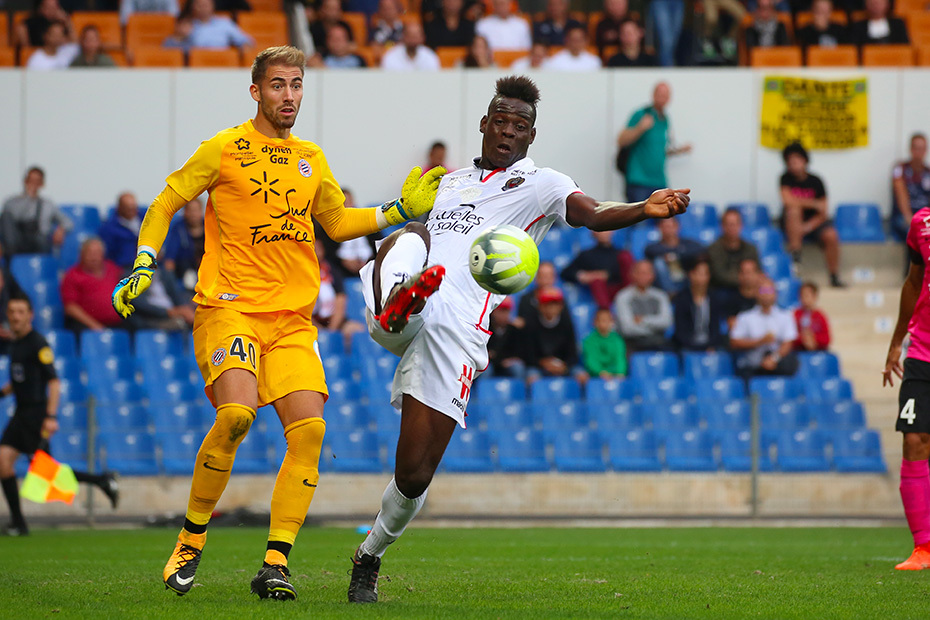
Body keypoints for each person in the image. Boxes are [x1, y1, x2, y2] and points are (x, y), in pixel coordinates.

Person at [108, 46, 443, 600]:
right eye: (278, 85)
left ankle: (275, 564)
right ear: (256, 91)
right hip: (230, 308)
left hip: (291, 320)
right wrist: (144, 261)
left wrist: (398, 211)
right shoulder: (223, 148)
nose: (289, 95)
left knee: (310, 431)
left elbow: (336, 221)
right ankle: (190, 540)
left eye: (296, 85)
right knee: (236, 415)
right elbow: (165, 202)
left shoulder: (310, 157)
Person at [345, 75, 689, 603]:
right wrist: (401, 211)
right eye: (500, 121)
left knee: (413, 475)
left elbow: (592, 214)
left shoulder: (542, 184)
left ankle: (369, 555)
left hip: (456, 332)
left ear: (531, 135)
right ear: (484, 124)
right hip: (412, 305)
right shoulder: (450, 182)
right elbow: (402, 222)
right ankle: (398, 302)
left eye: (519, 125)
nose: (508, 131)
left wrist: (643, 207)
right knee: (410, 234)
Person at [0, 295, 119, 536]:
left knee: (46, 471)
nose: (15, 316)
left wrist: (51, 416)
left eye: (21, 312)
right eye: (12, 311)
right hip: (21, 412)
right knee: (5, 461)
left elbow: (53, 382)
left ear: (30, 315)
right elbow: (21, 379)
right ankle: (18, 523)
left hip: (35, 414)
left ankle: (101, 480)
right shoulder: (16, 343)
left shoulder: (37, 343)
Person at [883, 204, 930, 570]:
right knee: (913, 439)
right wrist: (897, 341)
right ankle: (923, 548)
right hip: (923, 350)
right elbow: (914, 282)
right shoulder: (922, 222)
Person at [779, 142, 844, 287]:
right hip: (792, 223)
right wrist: (813, 203)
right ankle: (796, 256)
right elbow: (788, 202)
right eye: (790, 162)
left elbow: (823, 211)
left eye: (796, 160)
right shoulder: (785, 179)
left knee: (831, 235)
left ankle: (834, 275)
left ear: (805, 160)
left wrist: (807, 227)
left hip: (813, 223)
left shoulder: (816, 181)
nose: (793, 164)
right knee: (794, 211)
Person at [618, 82, 691, 203]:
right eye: (659, 94)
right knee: (639, 214)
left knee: (668, 213)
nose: (662, 98)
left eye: (665, 95)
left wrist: (680, 151)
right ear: (653, 95)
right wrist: (640, 128)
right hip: (639, 181)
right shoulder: (642, 114)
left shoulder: (665, 119)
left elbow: (659, 151)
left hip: (659, 181)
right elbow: (621, 140)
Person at [730, 276, 798, 379]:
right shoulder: (745, 317)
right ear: (756, 293)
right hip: (753, 366)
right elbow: (735, 342)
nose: (766, 294)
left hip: (778, 364)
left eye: (769, 290)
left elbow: (788, 343)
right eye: (763, 290)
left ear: (775, 294)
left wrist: (773, 358)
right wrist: (760, 341)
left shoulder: (785, 316)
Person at [0, 166, 72, 257]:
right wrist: (28, 198)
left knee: (42, 238)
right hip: (17, 241)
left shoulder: (47, 204)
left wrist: (61, 229)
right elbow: (9, 221)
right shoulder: (12, 202)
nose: (33, 184)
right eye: (30, 180)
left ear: (42, 184)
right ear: (25, 181)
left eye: (36, 181)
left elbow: (68, 222)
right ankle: (11, 261)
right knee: (6, 216)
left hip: (39, 242)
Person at [61, 238, 125, 332]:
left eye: (97, 253)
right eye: (89, 253)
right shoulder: (72, 275)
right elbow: (70, 307)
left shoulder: (113, 269)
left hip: (117, 323)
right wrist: (96, 326)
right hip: (86, 326)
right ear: (82, 255)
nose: (93, 257)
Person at [561, 229, 632, 309]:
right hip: (599, 293)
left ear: (612, 232)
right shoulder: (587, 255)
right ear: (593, 233)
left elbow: (629, 274)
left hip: (621, 289)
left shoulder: (621, 254)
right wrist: (584, 276)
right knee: (597, 282)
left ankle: (630, 302)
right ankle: (604, 311)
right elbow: (566, 273)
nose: (603, 233)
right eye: (600, 230)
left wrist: (607, 275)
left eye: (606, 230)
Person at [613, 259, 673, 353]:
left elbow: (666, 322)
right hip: (632, 342)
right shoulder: (623, 296)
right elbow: (627, 328)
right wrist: (653, 328)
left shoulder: (661, 296)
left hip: (658, 341)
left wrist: (643, 320)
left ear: (653, 275)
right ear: (632, 274)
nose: (643, 276)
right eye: (640, 273)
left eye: (647, 273)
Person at [672, 254, 727, 352]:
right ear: (691, 274)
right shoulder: (682, 299)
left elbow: (716, 328)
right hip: (687, 346)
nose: (702, 277)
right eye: (699, 273)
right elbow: (680, 331)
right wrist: (693, 347)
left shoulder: (714, 299)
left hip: (710, 346)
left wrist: (710, 345)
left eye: (705, 274)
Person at [644, 217, 704, 293]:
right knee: (659, 262)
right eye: (665, 226)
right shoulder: (654, 247)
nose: (669, 230)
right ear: (659, 228)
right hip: (664, 282)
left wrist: (676, 256)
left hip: (686, 278)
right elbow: (649, 251)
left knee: (699, 265)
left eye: (671, 226)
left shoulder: (688, 244)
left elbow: (700, 250)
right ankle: (671, 293)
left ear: (678, 226)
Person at [707, 209, 759, 293]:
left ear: (741, 225)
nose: (732, 228)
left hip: (748, 291)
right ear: (722, 226)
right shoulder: (713, 249)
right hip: (721, 291)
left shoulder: (751, 248)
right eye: (728, 224)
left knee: (766, 291)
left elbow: (758, 272)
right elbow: (719, 276)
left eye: (735, 224)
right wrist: (746, 278)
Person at [892, 133, 930, 242]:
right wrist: (910, 219)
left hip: (925, 218)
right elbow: (901, 195)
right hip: (904, 217)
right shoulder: (900, 169)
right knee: (915, 232)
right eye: (916, 148)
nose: (919, 152)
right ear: (911, 149)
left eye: (922, 148)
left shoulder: (928, 172)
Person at [163, 198, 206, 294]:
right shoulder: (178, 227)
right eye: (190, 210)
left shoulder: (210, 225)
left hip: (207, 266)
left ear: (201, 211)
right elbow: (170, 254)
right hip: (184, 267)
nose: (193, 214)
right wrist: (169, 263)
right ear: (185, 212)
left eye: (196, 210)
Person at [99, 192, 144, 269]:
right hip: (125, 266)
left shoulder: (146, 220)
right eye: (128, 208)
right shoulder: (109, 228)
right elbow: (108, 254)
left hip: (150, 262)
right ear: (120, 208)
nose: (131, 211)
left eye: (133, 207)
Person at [185, 0, 254, 49]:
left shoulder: (224, 23)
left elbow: (246, 41)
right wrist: (182, 37)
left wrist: (244, 48)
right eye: (199, 5)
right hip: (197, 63)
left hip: (223, 61)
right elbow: (180, 51)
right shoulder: (187, 25)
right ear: (193, 7)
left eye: (205, 5)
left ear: (212, 5)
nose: (203, 8)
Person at [582, 307, 627, 379]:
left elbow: (620, 359)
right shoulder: (589, 341)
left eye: (607, 320)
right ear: (595, 322)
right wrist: (601, 372)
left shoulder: (617, 340)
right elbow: (591, 361)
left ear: (612, 322)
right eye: (601, 320)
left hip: (615, 376)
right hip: (596, 377)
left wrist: (620, 373)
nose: (604, 323)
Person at [486, 297, 526, 378]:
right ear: (493, 312)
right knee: (485, 369)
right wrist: (499, 360)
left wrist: (504, 359)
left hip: (507, 364)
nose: (503, 315)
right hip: (491, 364)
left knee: (517, 367)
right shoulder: (487, 328)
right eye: (500, 311)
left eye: (506, 311)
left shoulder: (514, 330)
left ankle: (517, 387)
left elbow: (519, 352)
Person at [723, 257, 761, 328]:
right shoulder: (732, 299)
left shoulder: (764, 296)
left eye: (750, 272)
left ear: (758, 274)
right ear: (739, 275)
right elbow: (732, 326)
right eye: (743, 273)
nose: (747, 277)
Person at [793, 281, 830, 351]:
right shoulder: (796, 315)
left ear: (814, 297)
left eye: (807, 295)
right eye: (802, 296)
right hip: (798, 350)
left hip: (817, 349)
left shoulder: (820, 316)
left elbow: (827, 338)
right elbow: (790, 336)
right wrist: (803, 339)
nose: (804, 299)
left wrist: (814, 338)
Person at [648, 0, 684, 66]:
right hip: (660, 2)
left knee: (674, 41)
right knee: (666, 41)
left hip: (678, 2)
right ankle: (667, 67)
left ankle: (667, 65)